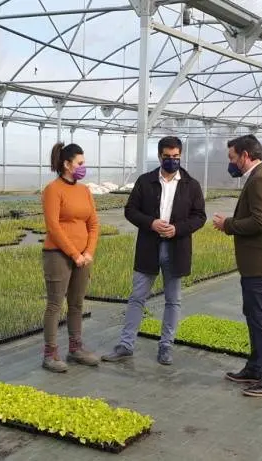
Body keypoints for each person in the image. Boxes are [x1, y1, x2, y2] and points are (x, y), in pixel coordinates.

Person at [101, 136, 206, 366]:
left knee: (173, 300)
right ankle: (126, 345)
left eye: (176, 157)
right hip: (149, 246)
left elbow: (199, 217)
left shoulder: (191, 185)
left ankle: (166, 346)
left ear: (180, 156)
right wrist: (151, 223)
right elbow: (130, 210)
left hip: (176, 248)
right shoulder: (145, 181)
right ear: (159, 156)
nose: (172, 161)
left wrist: (177, 229)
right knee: (137, 297)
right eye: (167, 157)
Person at [212, 134, 262, 397]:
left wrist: (228, 225)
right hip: (258, 261)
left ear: (245, 156)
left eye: (232, 157)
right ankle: (256, 367)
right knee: (254, 316)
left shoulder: (261, 180)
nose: (231, 163)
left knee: (261, 318)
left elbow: (260, 221)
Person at [40, 142, 101, 373]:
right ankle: (50, 353)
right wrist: (75, 254)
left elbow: (93, 224)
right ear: (66, 164)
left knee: (76, 303)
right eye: (80, 163)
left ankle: (75, 349)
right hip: (57, 255)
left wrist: (88, 253)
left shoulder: (84, 190)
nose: (83, 168)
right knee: (55, 304)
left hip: (83, 257)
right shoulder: (53, 190)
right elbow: (53, 227)